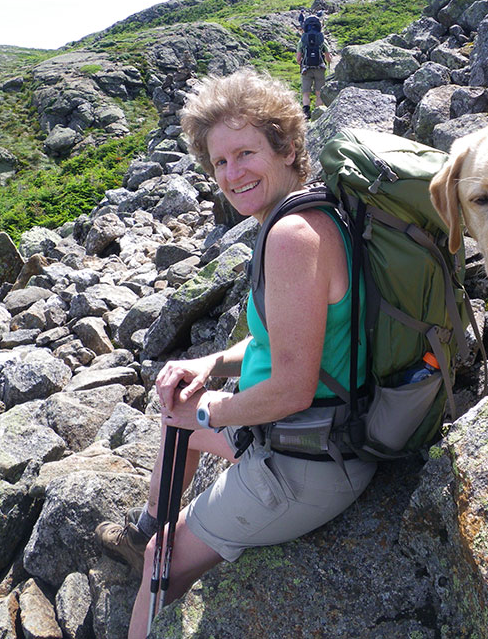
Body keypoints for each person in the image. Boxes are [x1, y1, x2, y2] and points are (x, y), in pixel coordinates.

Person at [95, 68, 376, 637]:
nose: (231, 174)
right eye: (219, 162)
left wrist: (205, 408)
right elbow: (283, 340)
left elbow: (294, 387)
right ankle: (149, 526)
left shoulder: (292, 237)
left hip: (310, 465)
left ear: (289, 148)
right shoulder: (309, 214)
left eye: (245, 153)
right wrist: (209, 365)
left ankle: (155, 554)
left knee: (162, 561)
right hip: (310, 433)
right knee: (185, 431)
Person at [295, 13, 331, 118]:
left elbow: (298, 59)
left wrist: (302, 63)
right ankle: (318, 114)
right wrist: (328, 61)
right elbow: (328, 57)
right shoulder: (322, 40)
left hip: (306, 69)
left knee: (306, 93)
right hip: (320, 68)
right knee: (319, 93)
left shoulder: (302, 41)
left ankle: (306, 112)